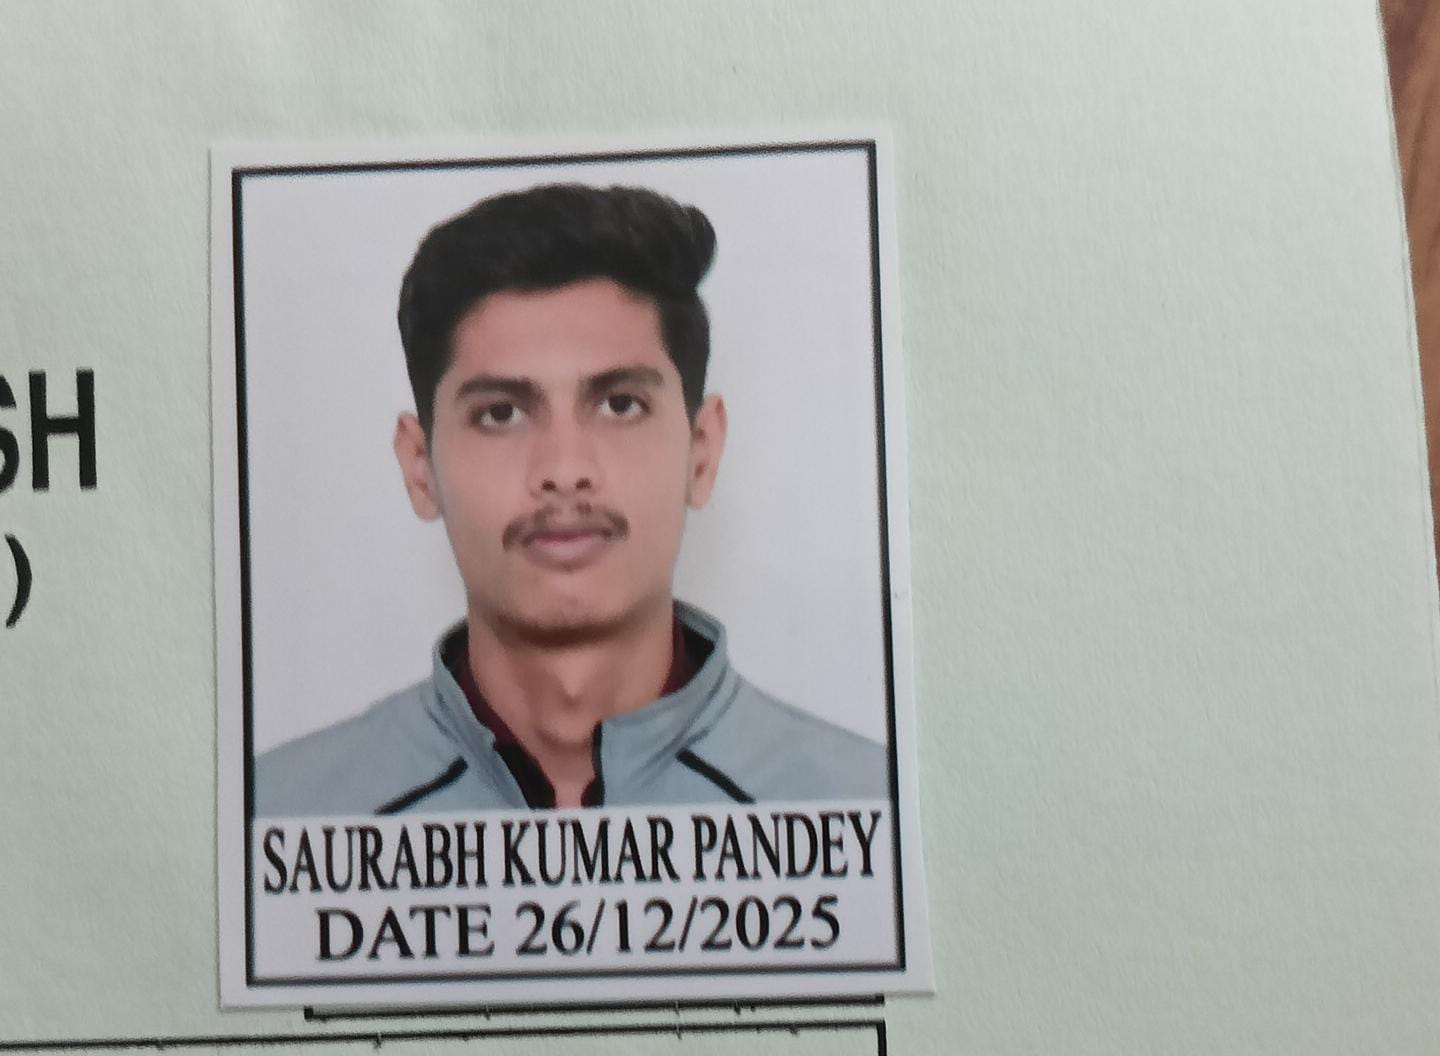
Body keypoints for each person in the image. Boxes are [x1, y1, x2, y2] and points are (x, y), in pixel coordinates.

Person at [256, 183, 887, 815]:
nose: (563, 470)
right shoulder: (282, 814)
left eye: (620, 405)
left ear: (702, 452)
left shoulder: (862, 806)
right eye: (501, 413)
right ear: (421, 469)